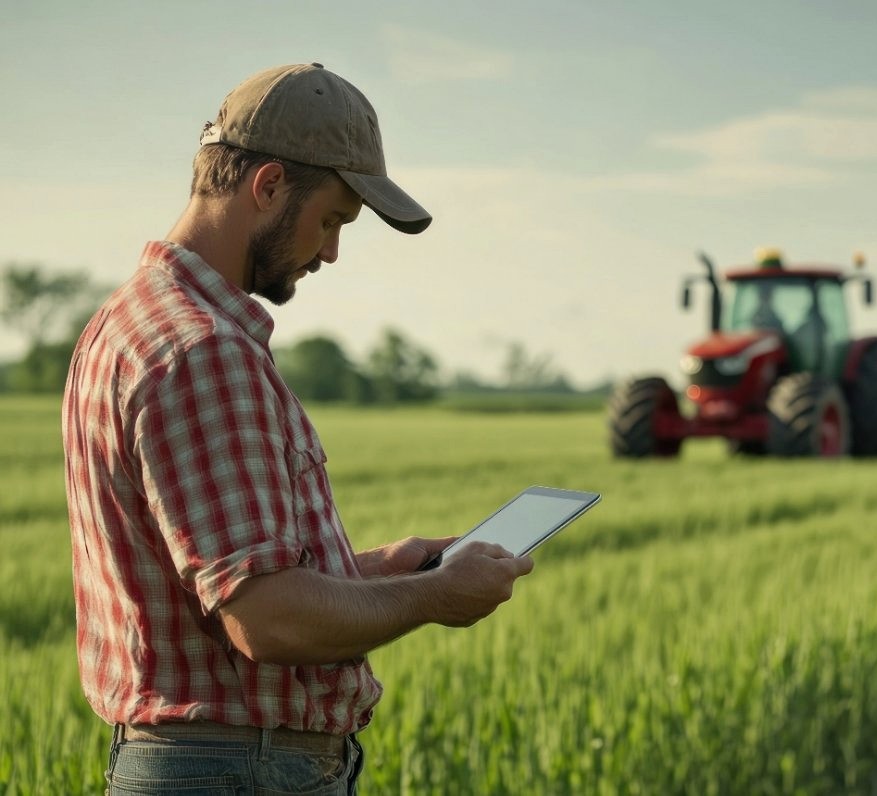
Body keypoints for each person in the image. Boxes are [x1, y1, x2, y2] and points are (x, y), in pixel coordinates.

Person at [61, 63, 535, 794]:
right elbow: (267, 619)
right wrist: (437, 597)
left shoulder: (125, 324)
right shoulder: (204, 350)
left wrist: (377, 567)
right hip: (239, 770)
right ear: (270, 185)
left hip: (197, 764)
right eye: (333, 220)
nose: (333, 252)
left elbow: (216, 580)